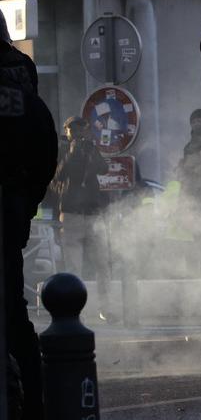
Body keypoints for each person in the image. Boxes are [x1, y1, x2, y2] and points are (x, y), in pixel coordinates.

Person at [0, 36, 57, 418]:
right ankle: (34, 406)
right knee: (15, 318)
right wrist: (25, 205)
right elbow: (46, 148)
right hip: (10, 208)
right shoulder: (21, 78)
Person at [49, 116, 113, 320]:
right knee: (73, 266)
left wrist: (91, 152)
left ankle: (105, 308)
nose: (77, 134)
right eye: (73, 130)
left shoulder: (90, 148)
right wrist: (71, 152)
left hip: (93, 213)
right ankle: (74, 310)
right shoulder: (61, 149)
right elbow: (56, 176)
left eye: (81, 130)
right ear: (67, 131)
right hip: (71, 213)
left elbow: (104, 168)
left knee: (102, 263)